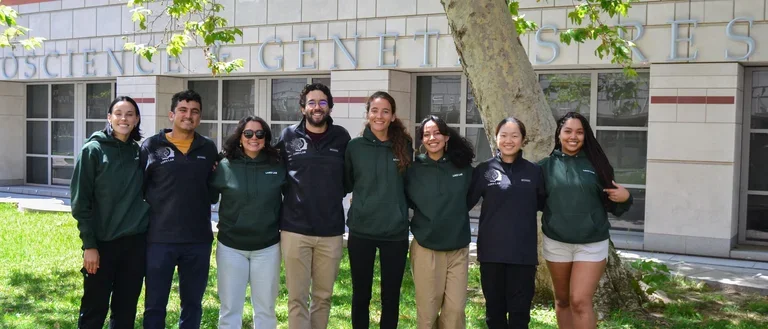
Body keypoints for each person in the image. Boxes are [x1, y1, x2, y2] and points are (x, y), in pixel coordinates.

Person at [539, 112, 632, 329]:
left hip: (591, 243)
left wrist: (626, 198)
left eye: (579, 132)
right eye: (568, 131)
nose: (574, 136)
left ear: (586, 136)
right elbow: (532, 201)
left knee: (580, 301)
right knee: (562, 301)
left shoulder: (597, 165)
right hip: (556, 242)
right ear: (559, 134)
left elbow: (616, 205)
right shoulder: (544, 167)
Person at [140, 90, 219, 329]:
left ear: (200, 117)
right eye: (183, 110)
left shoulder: (207, 148)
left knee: (193, 304)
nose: (188, 115)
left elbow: (213, 193)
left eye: (194, 111)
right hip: (159, 239)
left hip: (197, 240)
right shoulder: (152, 146)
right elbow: (139, 190)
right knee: (154, 304)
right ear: (171, 114)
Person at [275, 83, 351, 329]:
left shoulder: (341, 137)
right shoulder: (288, 136)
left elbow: (348, 178)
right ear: (302, 108)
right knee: (297, 298)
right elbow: (273, 171)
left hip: (330, 231)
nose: (317, 107)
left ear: (329, 106)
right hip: (295, 229)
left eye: (322, 102)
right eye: (312, 102)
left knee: (323, 297)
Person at [70, 96, 150, 329]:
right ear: (109, 117)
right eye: (118, 113)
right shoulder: (92, 151)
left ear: (136, 120)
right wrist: (89, 245)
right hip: (102, 244)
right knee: (94, 308)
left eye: (129, 114)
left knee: (125, 310)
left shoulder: (138, 152)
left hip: (135, 245)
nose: (123, 118)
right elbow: (80, 202)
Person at [467, 117, 546, 329]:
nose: (508, 140)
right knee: (495, 315)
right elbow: (463, 203)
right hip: (492, 255)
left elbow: (544, 204)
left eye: (514, 135)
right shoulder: (484, 170)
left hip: (523, 257)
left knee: (520, 316)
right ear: (496, 138)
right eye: (503, 135)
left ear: (523, 140)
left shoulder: (535, 172)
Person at [344, 91, 413, 329]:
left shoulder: (404, 145)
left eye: (385, 111)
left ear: (393, 116)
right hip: (362, 230)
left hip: (395, 232)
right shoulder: (354, 147)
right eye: (375, 110)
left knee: (390, 297)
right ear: (368, 114)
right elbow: (348, 181)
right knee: (361, 295)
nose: (379, 116)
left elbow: (409, 184)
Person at [210, 116, 285, 329]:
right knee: (230, 310)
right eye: (248, 133)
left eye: (260, 134)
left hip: (267, 247)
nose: (254, 138)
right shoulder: (224, 165)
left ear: (266, 138)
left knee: (266, 310)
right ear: (240, 137)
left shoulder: (277, 164)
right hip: (231, 247)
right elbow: (207, 195)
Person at [406, 115, 475, 329]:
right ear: (422, 140)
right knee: (427, 315)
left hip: (457, 249)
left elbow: (470, 199)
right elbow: (403, 199)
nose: (432, 138)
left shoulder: (462, 167)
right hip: (427, 248)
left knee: (454, 312)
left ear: (446, 137)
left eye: (436, 133)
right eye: (426, 134)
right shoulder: (413, 169)